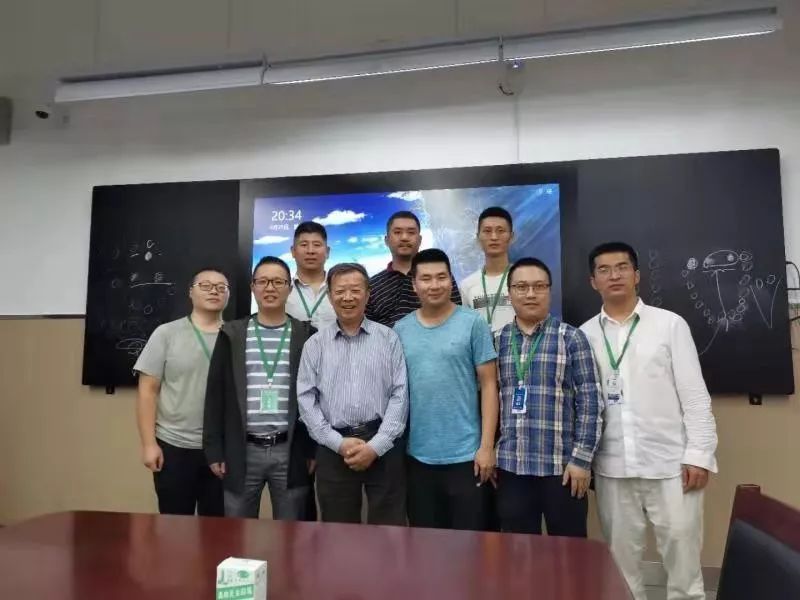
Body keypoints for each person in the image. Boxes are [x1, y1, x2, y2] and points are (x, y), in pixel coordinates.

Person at [580, 242, 718, 600]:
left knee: (684, 571)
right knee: (622, 571)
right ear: (593, 281)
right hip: (613, 468)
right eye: (604, 270)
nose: (614, 275)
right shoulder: (584, 335)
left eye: (622, 267)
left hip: (672, 467)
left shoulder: (669, 325)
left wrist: (699, 455)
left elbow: (694, 396)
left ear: (637, 275)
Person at [494, 257, 603, 536]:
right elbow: (489, 401)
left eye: (539, 286)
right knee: (517, 552)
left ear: (550, 291)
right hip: (512, 467)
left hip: (562, 469)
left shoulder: (571, 338)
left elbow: (590, 404)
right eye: (521, 287)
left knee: (568, 552)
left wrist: (581, 460)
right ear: (510, 293)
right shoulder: (498, 340)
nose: (530, 294)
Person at [203, 256, 316, 519]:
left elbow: (317, 396)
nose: (270, 288)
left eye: (278, 282)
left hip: (290, 450)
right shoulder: (232, 334)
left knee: (291, 534)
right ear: (252, 287)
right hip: (241, 451)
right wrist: (214, 450)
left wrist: (312, 450)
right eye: (263, 281)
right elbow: (215, 395)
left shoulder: (306, 335)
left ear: (289, 288)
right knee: (237, 532)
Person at [394, 248, 498, 531]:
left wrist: (486, 447)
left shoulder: (473, 323)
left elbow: (489, 385)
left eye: (441, 277)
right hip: (418, 456)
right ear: (414, 284)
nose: (434, 285)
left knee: (469, 543)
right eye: (426, 278)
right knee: (426, 542)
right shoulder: (400, 330)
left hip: (467, 456)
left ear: (451, 281)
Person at [297, 263, 408, 525]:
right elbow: (306, 400)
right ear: (330, 296)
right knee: (338, 531)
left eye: (355, 290)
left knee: (389, 530)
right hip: (333, 446)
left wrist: (377, 446)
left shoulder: (388, 338)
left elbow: (400, 394)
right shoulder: (315, 344)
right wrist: (337, 442)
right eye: (340, 291)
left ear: (368, 295)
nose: (348, 297)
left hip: (384, 443)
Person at [134, 267, 229, 516]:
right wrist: (149, 444)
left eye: (221, 287)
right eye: (206, 286)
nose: (214, 291)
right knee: (174, 526)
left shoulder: (235, 336)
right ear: (190, 292)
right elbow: (147, 391)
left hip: (222, 449)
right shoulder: (166, 334)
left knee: (218, 528)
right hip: (173, 446)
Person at [366, 210, 461, 328]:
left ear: (420, 240)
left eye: (411, 232)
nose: (404, 237)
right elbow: (368, 330)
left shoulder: (441, 277)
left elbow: (457, 317)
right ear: (386, 240)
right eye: (397, 232)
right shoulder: (372, 285)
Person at [459, 206, 516, 335]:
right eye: (487, 231)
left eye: (500, 231)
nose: (494, 237)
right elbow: (465, 330)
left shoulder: (525, 280)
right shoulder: (467, 285)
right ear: (478, 238)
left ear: (511, 237)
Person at [285, 221, 337, 330]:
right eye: (304, 245)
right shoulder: (283, 291)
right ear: (293, 251)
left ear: (327, 251)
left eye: (317, 245)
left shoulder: (341, 289)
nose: (310, 251)